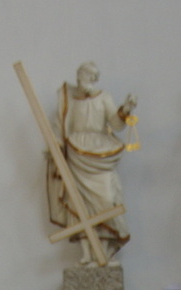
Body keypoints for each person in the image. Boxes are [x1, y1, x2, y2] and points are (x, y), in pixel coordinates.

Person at [47, 61, 137, 264]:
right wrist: (55, 148)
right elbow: (60, 126)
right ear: (79, 76)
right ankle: (87, 253)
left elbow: (116, 124)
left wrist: (126, 109)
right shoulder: (69, 100)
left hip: (99, 154)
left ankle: (102, 251)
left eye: (91, 77)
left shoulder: (104, 97)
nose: (87, 80)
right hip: (76, 154)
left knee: (107, 199)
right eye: (84, 76)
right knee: (80, 204)